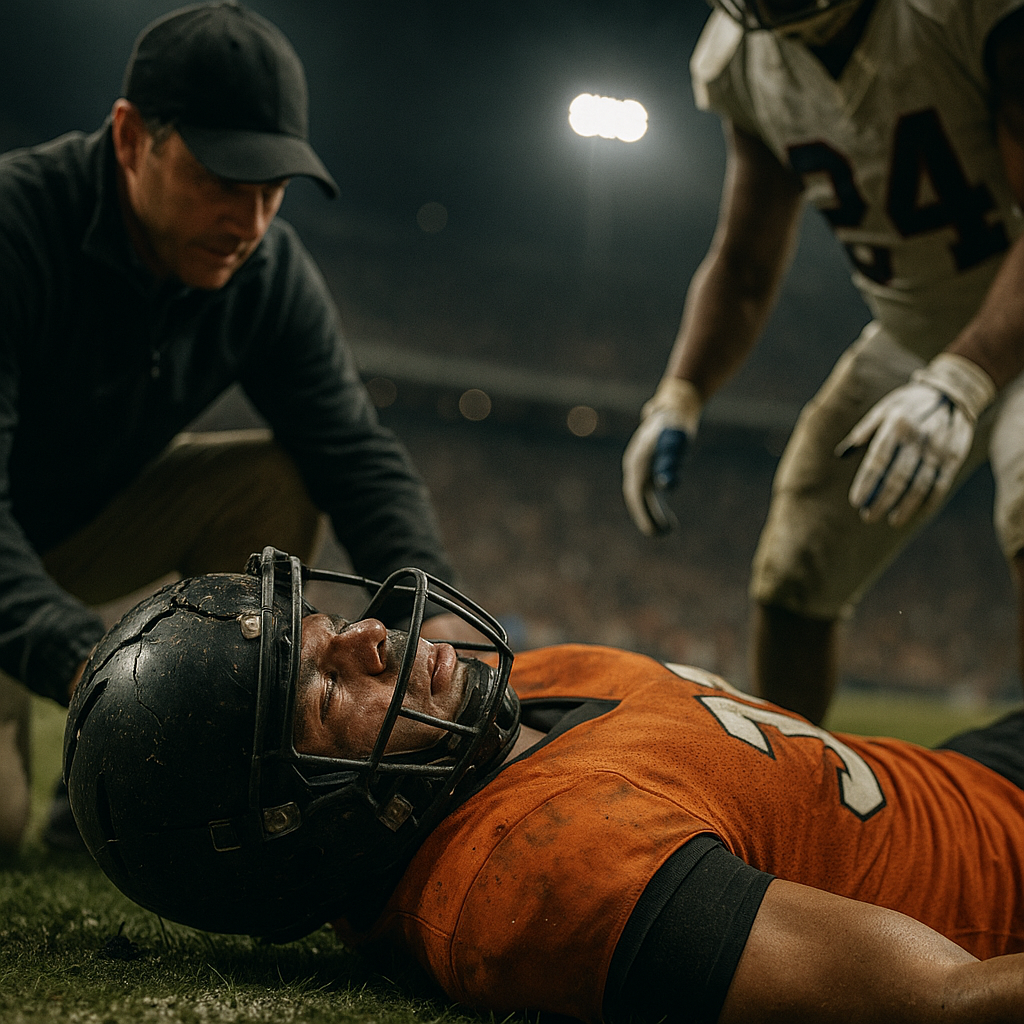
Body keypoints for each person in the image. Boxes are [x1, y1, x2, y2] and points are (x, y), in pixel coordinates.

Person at [65, 547, 1024, 1023]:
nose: (367, 638)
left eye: (325, 624)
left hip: (972, 773)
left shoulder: (494, 710)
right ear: (294, 821)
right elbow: (952, 1002)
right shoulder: (543, 870)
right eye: (323, 686)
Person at [0, 1, 469, 853]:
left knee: (277, 475)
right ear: (131, 135)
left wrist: (431, 608)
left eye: (272, 190)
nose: (250, 223)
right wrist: (93, 664)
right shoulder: (15, 226)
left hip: (73, 528)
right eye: (221, 180)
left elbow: (353, 452)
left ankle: (127, 789)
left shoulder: (266, 270)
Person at [621, 0, 1024, 725]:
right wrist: (677, 396)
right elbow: (743, 263)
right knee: (796, 565)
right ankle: (791, 802)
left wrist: (963, 376)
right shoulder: (740, 60)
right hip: (915, 333)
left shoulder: (960, 14)